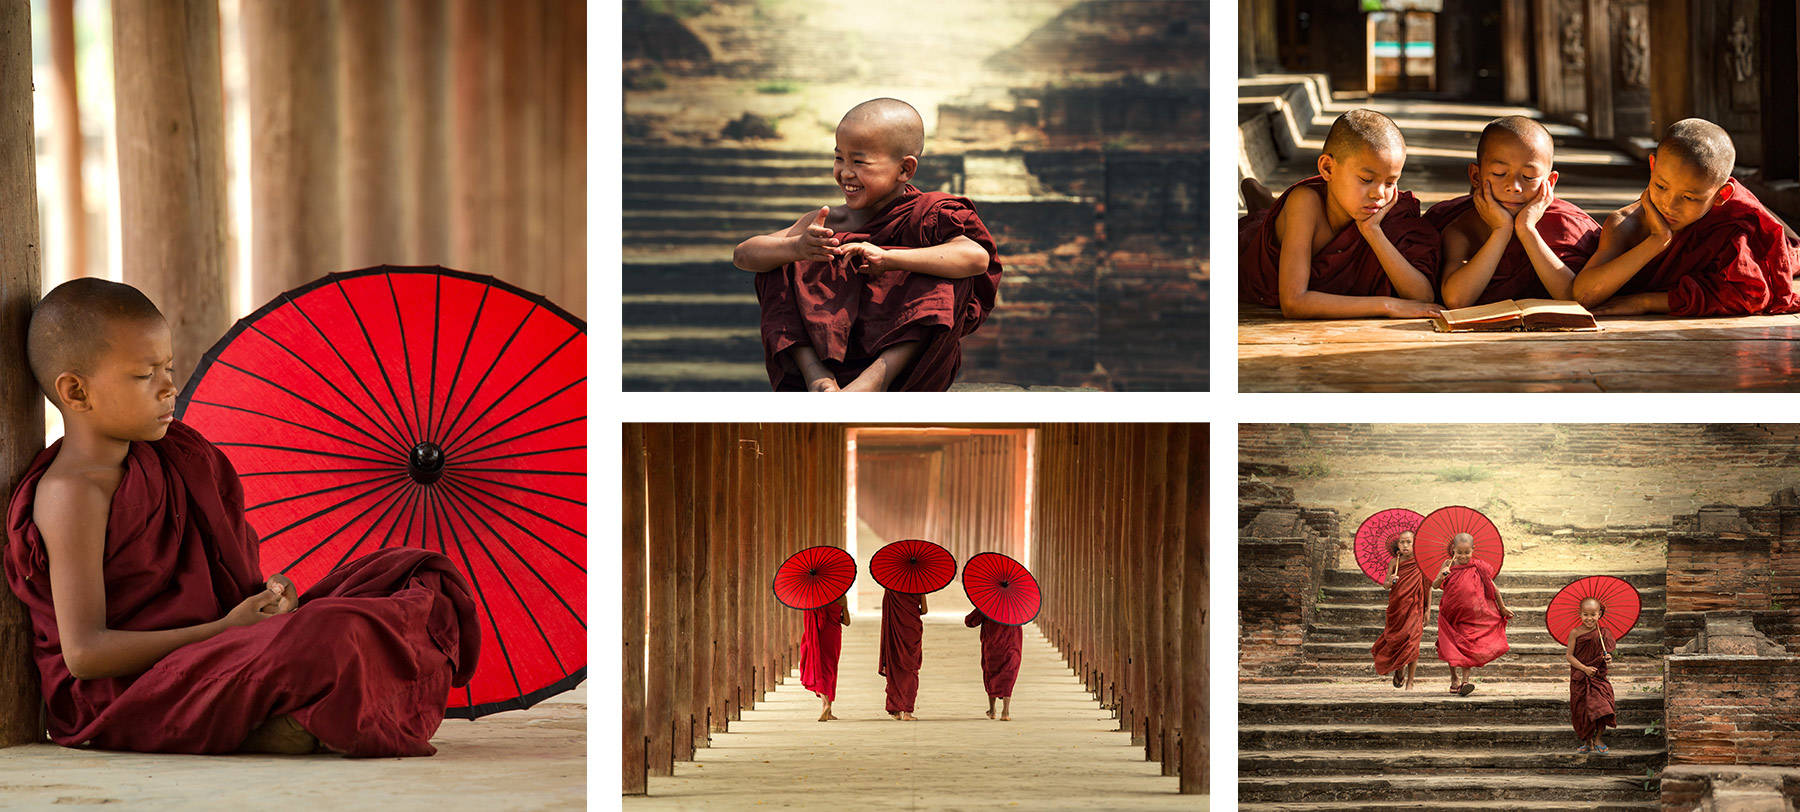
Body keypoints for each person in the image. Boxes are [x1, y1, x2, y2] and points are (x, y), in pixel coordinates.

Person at [4, 278, 479, 756]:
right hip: (131, 693)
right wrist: (227, 629)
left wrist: (268, 599)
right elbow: (85, 655)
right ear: (76, 391)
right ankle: (279, 717)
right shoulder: (72, 494)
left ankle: (282, 715)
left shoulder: (178, 456)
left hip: (216, 652)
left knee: (416, 574)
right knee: (334, 635)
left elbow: (226, 584)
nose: (169, 388)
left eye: (168, 367)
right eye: (145, 375)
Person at [734, 97, 1003, 391]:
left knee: (946, 273)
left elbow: (976, 259)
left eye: (859, 162)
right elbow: (743, 255)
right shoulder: (829, 221)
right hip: (828, 352)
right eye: (839, 158)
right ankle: (819, 379)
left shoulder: (928, 216)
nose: (846, 172)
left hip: (901, 369)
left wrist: (889, 258)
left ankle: (872, 382)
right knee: (776, 266)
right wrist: (797, 248)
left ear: (905, 170)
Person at [1571, 118, 1800, 316]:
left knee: (1789, 248)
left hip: (1784, 248)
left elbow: (1750, 293)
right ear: (1653, 165)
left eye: (1689, 198)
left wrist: (1648, 301)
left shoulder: (1733, 224)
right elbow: (1583, 294)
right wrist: (1656, 241)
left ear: (1722, 195)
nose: (1669, 205)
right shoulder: (1625, 224)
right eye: (1661, 186)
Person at [1238, 108, 1443, 319]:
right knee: (1255, 227)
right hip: (1250, 248)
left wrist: (1372, 232)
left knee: (1268, 215)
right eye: (1366, 179)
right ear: (1327, 168)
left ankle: (1265, 206)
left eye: (1391, 182)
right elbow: (1293, 302)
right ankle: (1261, 205)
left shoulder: (1387, 211)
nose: (1379, 194)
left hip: (1309, 220)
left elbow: (1422, 296)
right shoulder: (1305, 203)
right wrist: (1388, 306)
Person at [1426, 116, 1600, 307]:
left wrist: (1527, 230)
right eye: (1499, 173)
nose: (1514, 186)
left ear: (1550, 182)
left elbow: (1573, 297)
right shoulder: (1463, 226)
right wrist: (1501, 231)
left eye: (1528, 176)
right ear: (1476, 176)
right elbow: (1457, 299)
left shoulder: (1566, 226)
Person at [1432, 533, 1513, 696]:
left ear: (1473, 550)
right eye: (1460, 552)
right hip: (1450, 615)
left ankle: (1465, 681)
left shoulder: (1478, 566)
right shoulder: (1447, 564)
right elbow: (1434, 585)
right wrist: (1442, 575)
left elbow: (1493, 588)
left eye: (1467, 552)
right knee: (1450, 646)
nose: (1463, 556)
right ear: (1453, 549)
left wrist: (1502, 607)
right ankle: (1454, 678)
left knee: (1466, 646)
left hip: (1471, 617)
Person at [1370, 530, 1426, 690]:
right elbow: (1385, 584)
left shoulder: (1420, 562)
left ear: (1415, 544)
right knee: (1398, 641)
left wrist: (1427, 609)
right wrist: (1391, 581)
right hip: (1397, 608)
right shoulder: (1394, 563)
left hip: (1415, 606)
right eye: (1402, 542)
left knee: (1413, 642)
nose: (1405, 545)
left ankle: (1411, 681)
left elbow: (1427, 586)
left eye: (1409, 542)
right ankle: (1399, 671)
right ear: (1397, 545)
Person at [1566, 597, 1617, 754]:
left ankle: (1598, 738)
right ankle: (1588, 741)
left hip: (1598, 677)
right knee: (1582, 710)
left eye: (1593, 614)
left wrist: (1608, 657)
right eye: (1585, 614)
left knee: (1603, 706)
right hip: (1580, 677)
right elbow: (1569, 656)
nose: (1589, 618)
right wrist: (1584, 668)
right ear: (1579, 614)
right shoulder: (1575, 633)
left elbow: (1606, 653)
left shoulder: (1603, 633)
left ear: (1599, 614)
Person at [962, 607, 1022, 720]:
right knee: (1009, 674)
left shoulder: (989, 605)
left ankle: (992, 709)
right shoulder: (1016, 606)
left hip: (992, 646)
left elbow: (970, 621)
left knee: (991, 674)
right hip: (1012, 645)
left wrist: (982, 609)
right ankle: (1006, 711)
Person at [877, 588, 926, 720]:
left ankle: (896, 709)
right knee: (911, 668)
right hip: (912, 631)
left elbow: (886, 611)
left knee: (895, 667)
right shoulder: (918, 586)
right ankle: (907, 711)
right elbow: (924, 610)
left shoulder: (890, 588)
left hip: (894, 631)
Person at [800, 594, 850, 721]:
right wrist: (844, 608)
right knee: (831, 669)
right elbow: (847, 622)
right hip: (834, 636)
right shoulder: (841, 598)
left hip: (819, 636)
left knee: (820, 669)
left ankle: (826, 704)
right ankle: (828, 710)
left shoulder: (814, 598)